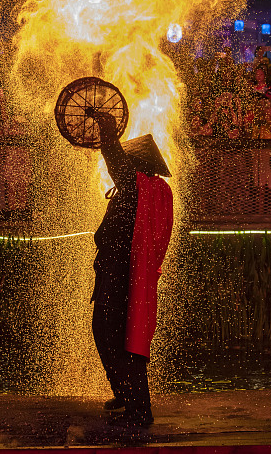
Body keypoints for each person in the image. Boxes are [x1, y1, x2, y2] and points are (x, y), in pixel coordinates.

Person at [89, 112, 173, 428]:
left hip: (122, 274)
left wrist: (107, 129)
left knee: (118, 338)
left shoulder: (140, 188)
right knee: (113, 336)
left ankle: (138, 410)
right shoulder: (145, 191)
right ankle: (126, 396)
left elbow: (114, 160)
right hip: (119, 271)